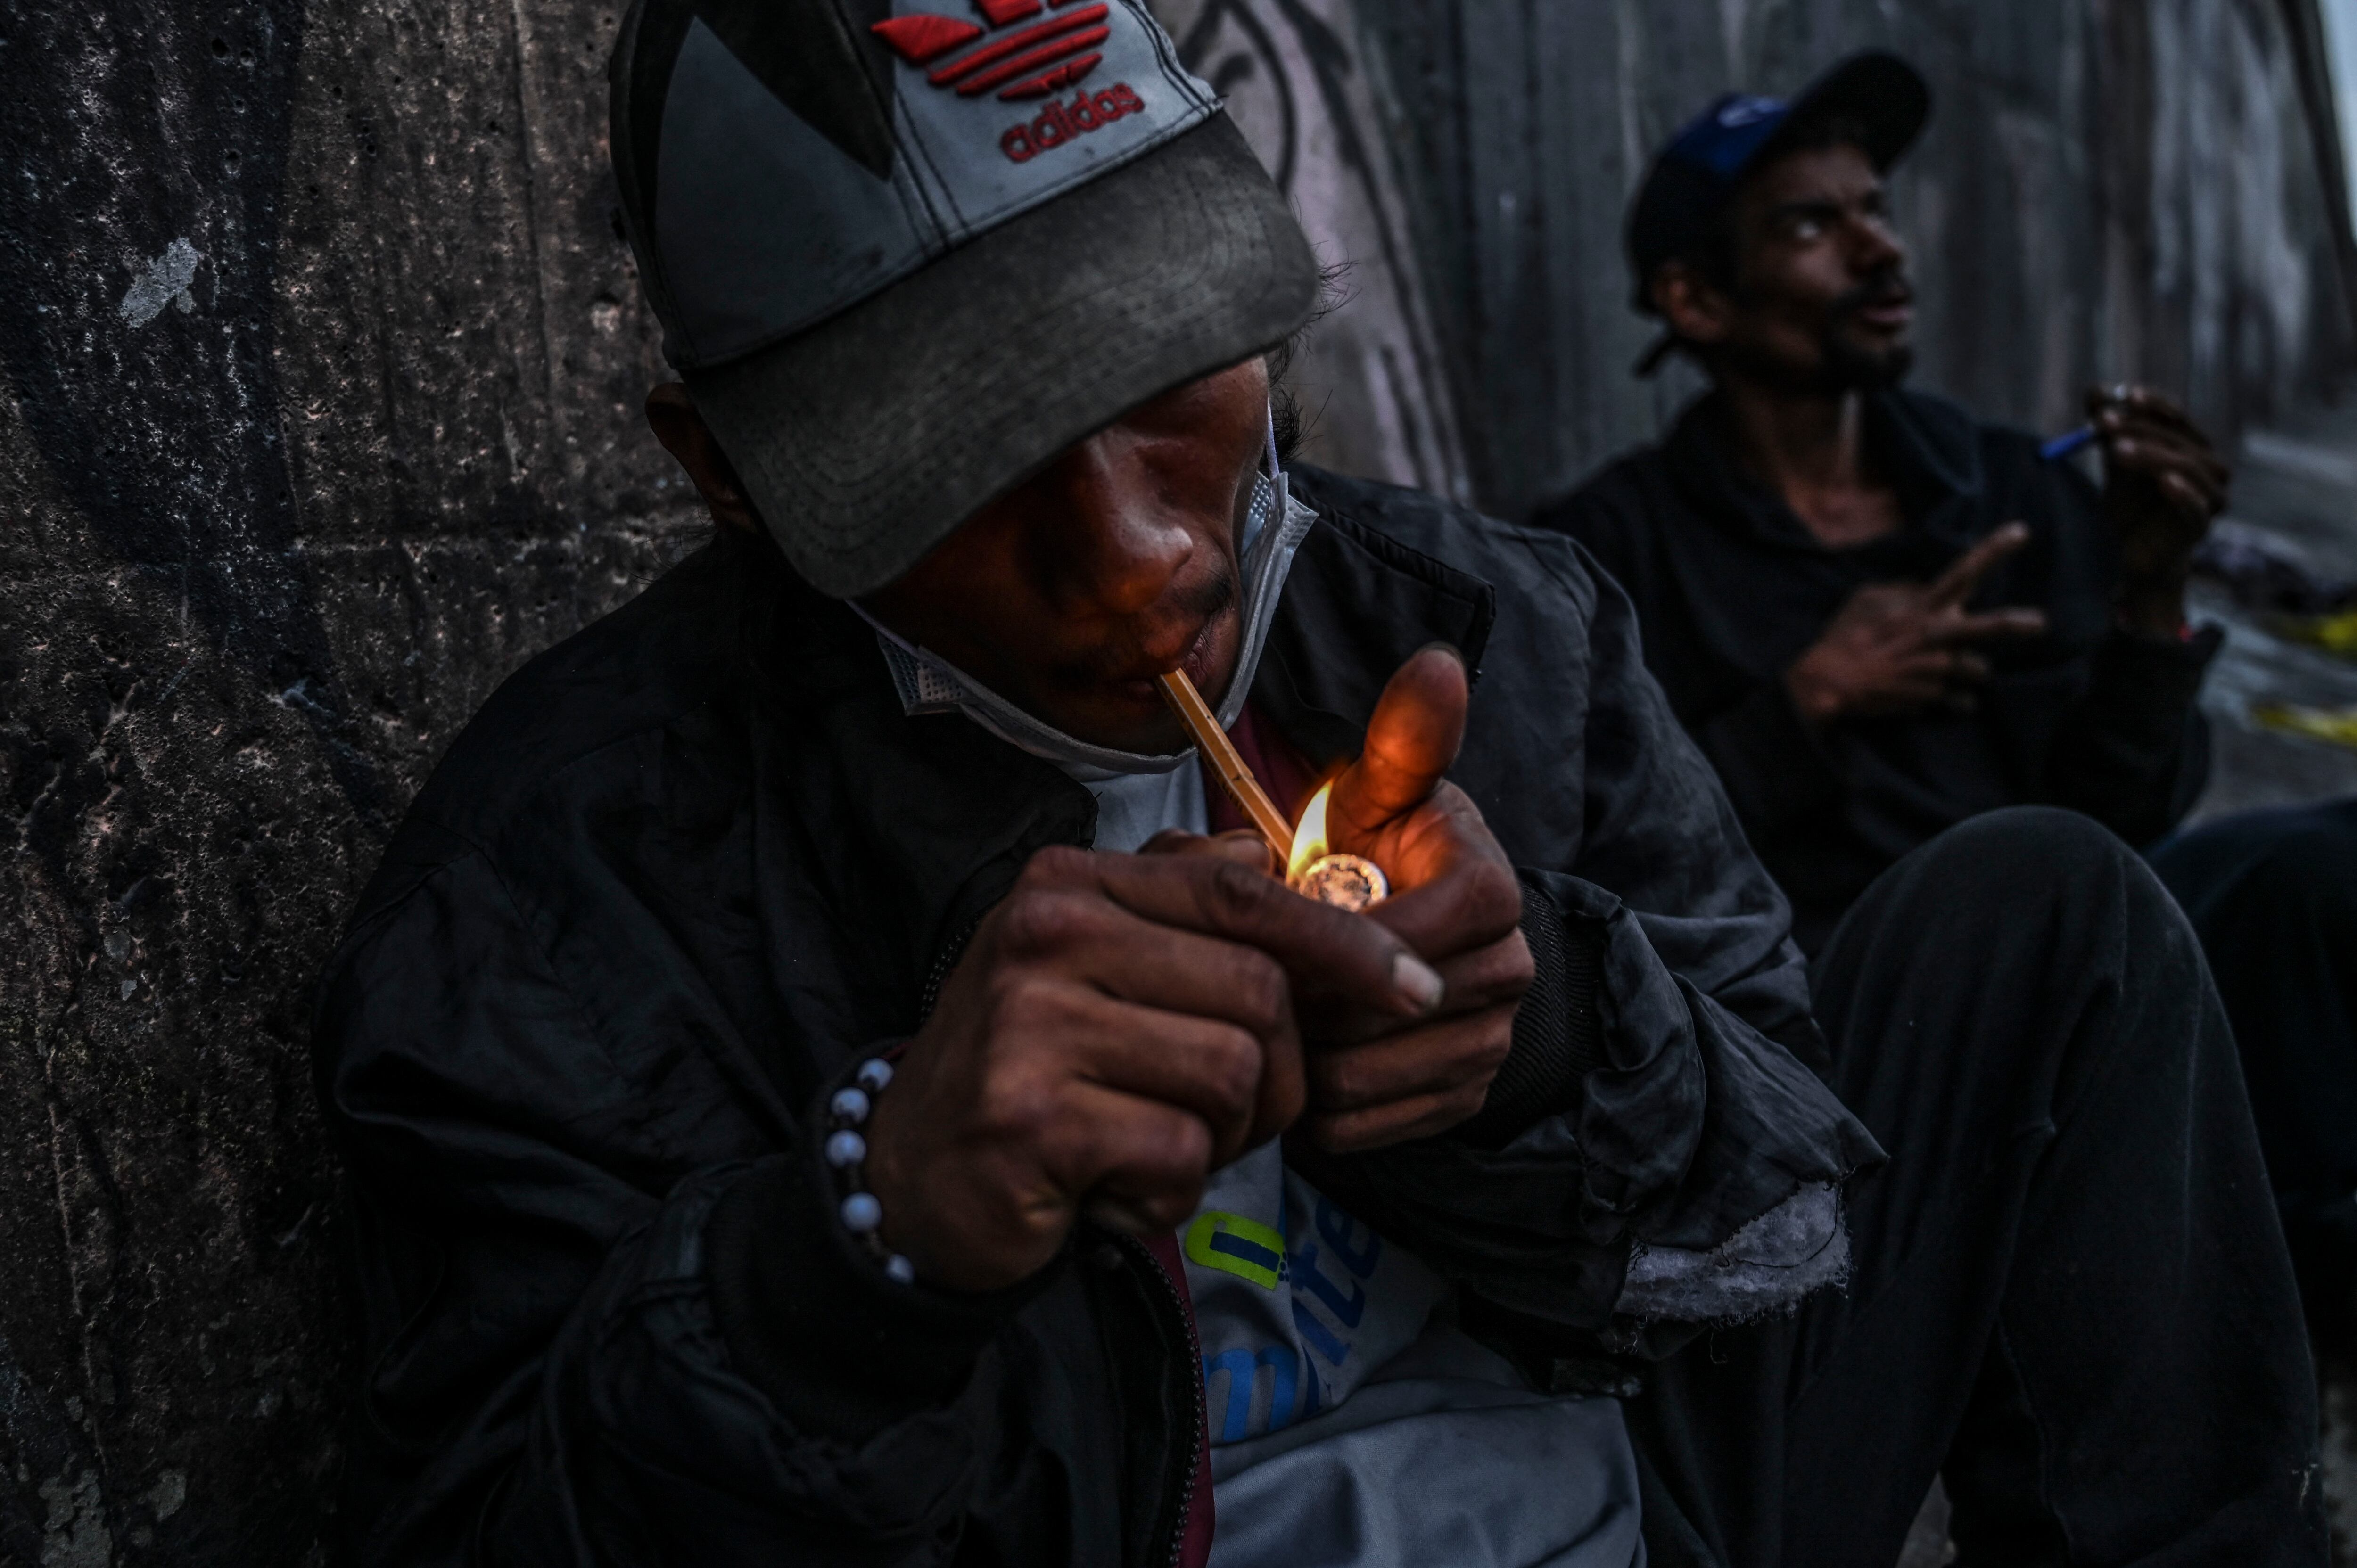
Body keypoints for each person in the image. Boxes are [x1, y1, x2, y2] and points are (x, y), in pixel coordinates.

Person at [312, 7, 2324, 1564]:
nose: (1138, 561)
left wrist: (1531, 1067)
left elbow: (1778, 1209)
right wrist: (861, 1245)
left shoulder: (1491, 622)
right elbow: (496, 1516)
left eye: (1161, 367)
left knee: (2056, 909)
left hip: (1641, 1504)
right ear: (727, 472)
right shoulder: (563, 881)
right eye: (955, 457)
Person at [1528, 53, 2229, 955]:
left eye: (1876, 210)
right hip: (1823, 1013)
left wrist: (2154, 597)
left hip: (2059, 959)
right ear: (1697, 302)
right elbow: (1597, 865)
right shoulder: (1611, 549)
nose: (1881, 250)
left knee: (2313, 874)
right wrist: (1809, 698)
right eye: (1813, 225)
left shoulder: (2016, 490)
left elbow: (2130, 811)